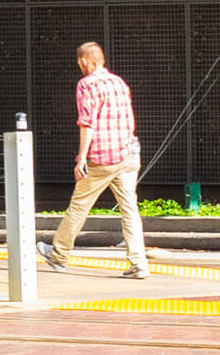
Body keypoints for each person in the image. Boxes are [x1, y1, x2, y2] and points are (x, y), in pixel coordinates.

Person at [36, 42, 150, 279]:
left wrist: (81, 158)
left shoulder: (86, 85)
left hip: (102, 157)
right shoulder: (119, 82)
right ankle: (139, 263)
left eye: (80, 63)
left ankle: (59, 255)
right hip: (129, 153)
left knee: (79, 206)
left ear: (84, 61)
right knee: (129, 209)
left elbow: (87, 123)